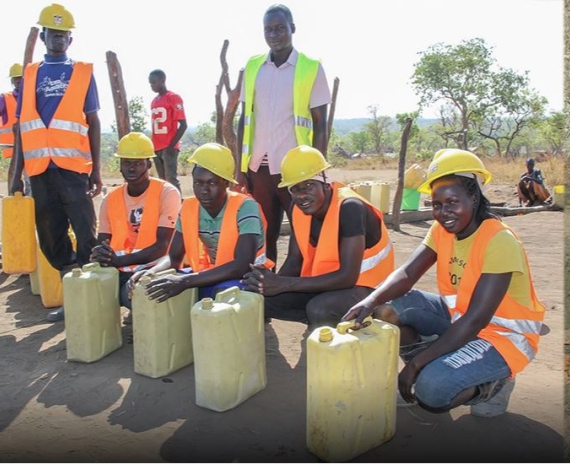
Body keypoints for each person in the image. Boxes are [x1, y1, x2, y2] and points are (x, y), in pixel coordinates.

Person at [342, 149, 546, 418]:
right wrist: (370, 300)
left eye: (452, 202)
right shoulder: (442, 230)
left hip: (503, 338)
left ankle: (495, 384)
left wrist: (416, 366)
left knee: (431, 391)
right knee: (388, 310)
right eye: (436, 204)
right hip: (459, 320)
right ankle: (444, 362)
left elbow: (476, 320)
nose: (443, 212)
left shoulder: (499, 241)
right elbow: (407, 273)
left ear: (474, 197)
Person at [10, 3, 103, 322]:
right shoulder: (32, 73)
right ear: (43, 36)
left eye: (64, 34)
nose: (58, 39)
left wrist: (97, 171)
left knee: (85, 232)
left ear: (70, 40)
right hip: (39, 170)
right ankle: (71, 289)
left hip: (73, 169)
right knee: (50, 233)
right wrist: (16, 172)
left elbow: (93, 121)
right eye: (53, 33)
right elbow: (22, 125)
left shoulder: (82, 72)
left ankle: (90, 298)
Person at [242, 146, 394, 327]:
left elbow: (348, 277)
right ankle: (324, 322)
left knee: (320, 309)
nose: (302, 195)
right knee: (259, 300)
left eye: (308, 185)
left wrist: (284, 284)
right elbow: (294, 261)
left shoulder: (350, 208)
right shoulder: (298, 209)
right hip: (326, 285)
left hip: (371, 288)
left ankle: (339, 329)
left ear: (325, 181)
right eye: (295, 189)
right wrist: (270, 284)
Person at [234, 3, 331, 265]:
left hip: (296, 171)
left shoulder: (311, 68)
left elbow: (321, 124)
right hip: (259, 167)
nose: (274, 35)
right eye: (268, 30)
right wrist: (239, 168)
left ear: (293, 29)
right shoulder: (254, 67)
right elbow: (245, 118)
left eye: (280, 28)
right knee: (264, 230)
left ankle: (295, 285)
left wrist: (317, 171)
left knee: (302, 229)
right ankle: (264, 285)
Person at [127, 142, 271, 304]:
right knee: (159, 286)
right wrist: (150, 272)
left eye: (211, 183)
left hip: (248, 277)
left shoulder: (245, 207)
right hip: (210, 272)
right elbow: (174, 257)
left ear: (226, 183)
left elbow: (242, 265)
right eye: (198, 183)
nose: (203, 190)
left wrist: (186, 281)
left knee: (223, 296)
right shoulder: (189, 207)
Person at [90, 132, 181, 322]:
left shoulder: (167, 193)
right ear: (120, 165)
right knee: (86, 288)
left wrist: (118, 262)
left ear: (149, 164)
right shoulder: (111, 199)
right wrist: (100, 254)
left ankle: (137, 308)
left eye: (138, 163)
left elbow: (163, 246)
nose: (132, 168)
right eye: (127, 163)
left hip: (158, 268)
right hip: (120, 270)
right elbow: (103, 242)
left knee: (140, 297)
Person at [149, 69, 187, 193]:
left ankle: (178, 209)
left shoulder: (173, 98)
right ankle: (167, 207)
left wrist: (171, 146)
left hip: (169, 146)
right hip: (156, 147)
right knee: (162, 181)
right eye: (150, 83)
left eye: (154, 82)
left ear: (163, 80)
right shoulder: (154, 101)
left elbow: (183, 125)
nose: (152, 86)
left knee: (171, 179)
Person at [0, 62, 30, 195]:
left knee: (31, 181)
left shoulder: (32, 96)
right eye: (15, 78)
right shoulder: (4, 98)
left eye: (19, 78)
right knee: (16, 183)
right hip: (13, 148)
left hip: (31, 147)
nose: (17, 81)